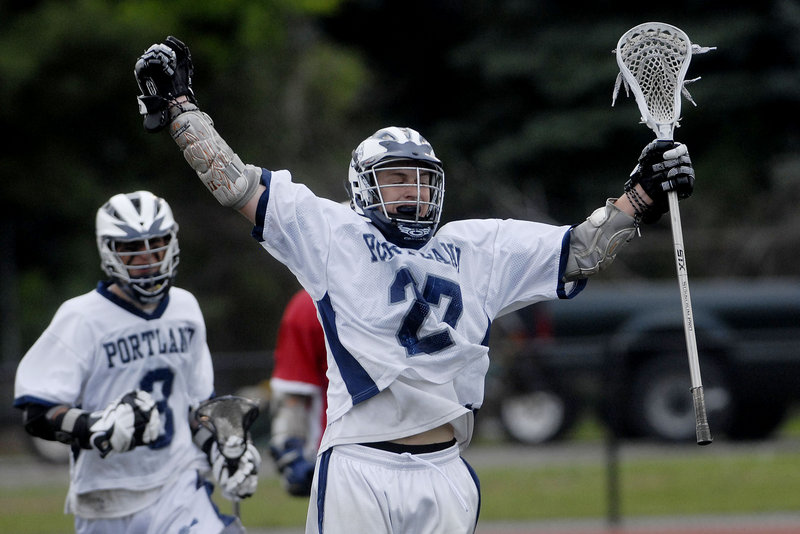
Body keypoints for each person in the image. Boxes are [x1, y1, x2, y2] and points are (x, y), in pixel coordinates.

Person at [134, 37, 695, 534]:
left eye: (422, 180)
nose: (412, 192)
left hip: (446, 467)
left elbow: (579, 251)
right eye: (396, 179)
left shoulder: (479, 246)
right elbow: (234, 183)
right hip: (359, 464)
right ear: (363, 186)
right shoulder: (333, 233)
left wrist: (641, 194)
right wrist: (183, 111)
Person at [13, 190, 260, 534]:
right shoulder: (82, 318)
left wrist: (223, 451)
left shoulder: (185, 309)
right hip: (106, 499)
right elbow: (37, 413)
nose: (147, 257)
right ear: (108, 251)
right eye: (131, 248)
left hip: (177, 486)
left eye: (156, 243)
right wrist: (96, 427)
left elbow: (195, 410)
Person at [268, 288, 328, 497]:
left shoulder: (309, 303)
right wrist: (292, 446)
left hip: (344, 452)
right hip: (337, 451)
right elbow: (292, 396)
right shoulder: (310, 304)